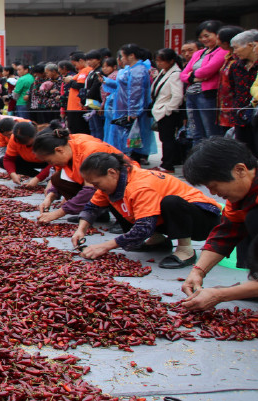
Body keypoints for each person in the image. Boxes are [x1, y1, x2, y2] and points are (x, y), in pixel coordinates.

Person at [72, 152, 221, 267]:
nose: (96, 188)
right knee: (113, 200)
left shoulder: (140, 186)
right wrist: (81, 230)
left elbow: (143, 228)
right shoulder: (114, 184)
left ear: (112, 172)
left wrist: (104, 246)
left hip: (203, 220)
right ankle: (158, 240)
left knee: (171, 201)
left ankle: (186, 250)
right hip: (175, 219)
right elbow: (92, 207)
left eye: (97, 183)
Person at [181, 137, 258, 310]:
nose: (213, 193)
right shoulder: (241, 196)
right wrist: (198, 271)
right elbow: (226, 233)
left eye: (215, 185)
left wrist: (220, 295)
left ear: (240, 170)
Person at [32, 126, 122, 225]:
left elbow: (90, 190)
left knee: (105, 186)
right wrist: (49, 197)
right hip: (102, 183)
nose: (51, 164)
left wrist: (58, 213)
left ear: (59, 150)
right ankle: (98, 213)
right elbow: (61, 175)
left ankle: (124, 219)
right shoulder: (67, 146)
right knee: (57, 179)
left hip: (122, 181)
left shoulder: (88, 152)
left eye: (49, 160)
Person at [180, 20, 227, 144]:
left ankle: (212, 161)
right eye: (201, 37)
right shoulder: (199, 53)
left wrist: (193, 75)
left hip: (207, 95)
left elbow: (207, 71)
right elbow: (183, 74)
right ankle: (197, 161)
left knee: (211, 132)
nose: (203, 39)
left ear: (218, 34)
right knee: (196, 132)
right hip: (191, 95)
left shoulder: (222, 51)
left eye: (207, 35)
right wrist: (193, 78)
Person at [108, 44, 156, 165]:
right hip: (124, 107)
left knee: (133, 136)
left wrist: (133, 111)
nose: (121, 59)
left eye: (123, 56)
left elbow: (136, 92)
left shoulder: (138, 70)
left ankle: (133, 160)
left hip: (132, 110)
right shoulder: (131, 69)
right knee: (128, 135)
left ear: (131, 56)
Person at [150, 48, 185, 173]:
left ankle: (167, 164)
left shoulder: (175, 74)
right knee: (165, 138)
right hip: (161, 109)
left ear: (171, 61)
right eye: (157, 61)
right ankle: (166, 162)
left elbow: (178, 96)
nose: (159, 63)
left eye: (161, 61)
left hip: (167, 111)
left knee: (167, 139)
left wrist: (168, 110)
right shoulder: (164, 72)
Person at [226, 30, 258, 154]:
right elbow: (233, 88)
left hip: (256, 113)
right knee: (243, 150)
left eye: (236, 48)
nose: (234, 52)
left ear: (250, 46)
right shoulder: (235, 66)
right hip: (240, 112)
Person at [64, 53, 91, 135]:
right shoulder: (80, 72)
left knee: (79, 131)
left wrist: (70, 80)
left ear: (81, 61)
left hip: (78, 107)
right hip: (73, 107)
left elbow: (80, 85)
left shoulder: (86, 70)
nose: (74, 67)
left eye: (75, 64)